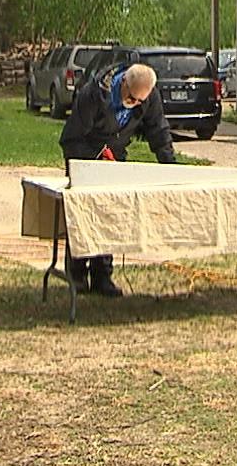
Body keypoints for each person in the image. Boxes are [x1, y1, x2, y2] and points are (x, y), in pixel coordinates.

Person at [58, 60, 176, 297]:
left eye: (140, 102)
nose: (135, 105)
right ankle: (77, 273)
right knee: (84, 215)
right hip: (85, 157)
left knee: (110, 216)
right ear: (123, 83)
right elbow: (70, 139)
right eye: (132, 100)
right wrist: (94, 161)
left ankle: (103, 276)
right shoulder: (92, 95)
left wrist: (170, 166)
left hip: (115, 158)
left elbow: (158, 131)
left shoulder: (147, 97)